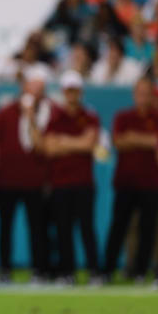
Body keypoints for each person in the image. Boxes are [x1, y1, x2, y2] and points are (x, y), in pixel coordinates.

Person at [0, 69, 52, 283]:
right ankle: (4, 269)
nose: (35, 93)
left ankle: (39, 269)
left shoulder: (50, 113)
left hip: (36, 180)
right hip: (6, 179)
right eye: (32, 88)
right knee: (5, 226)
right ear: (24, 89)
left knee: (37, 228)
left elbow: (45, 147)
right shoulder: (7, 112)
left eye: (39, 90)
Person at [44, 70, 100, 284]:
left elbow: (90, 144)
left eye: (75, 90)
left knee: (86, 228)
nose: (71, 94)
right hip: (61, 182)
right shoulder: (56, 117)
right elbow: (49, 148)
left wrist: (63, 142)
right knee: (63, 229)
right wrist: (77, 142)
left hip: (84, 182)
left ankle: (94, 271)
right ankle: (67, 272)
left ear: (81, 92)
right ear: (63, 92)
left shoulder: (90, 116)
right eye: (68, 90)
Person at [103, 78, 158, 283]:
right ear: (134, 94)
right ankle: (107, 270)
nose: (143, 97)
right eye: (140, 93)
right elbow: (118, 141)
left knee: (148, 230)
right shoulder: (123, 117)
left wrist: (134, 138)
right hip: (126, 182)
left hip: (151, 183)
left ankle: (141, 271)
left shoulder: (156, 117)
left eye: (147, 93)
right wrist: (149, 141)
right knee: (119, 227)